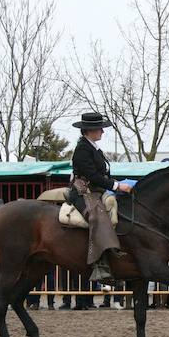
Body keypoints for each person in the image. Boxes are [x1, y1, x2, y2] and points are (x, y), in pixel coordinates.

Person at [68, 111, 133, 281]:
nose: (103, 132)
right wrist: (117, 185)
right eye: (100, 129)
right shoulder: (82, 149)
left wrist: (117, 184)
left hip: (97, 191)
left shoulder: (95, 148)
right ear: (89, 130)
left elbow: (102, 175)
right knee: (98, 218)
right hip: (82, 192)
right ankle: (99, 264)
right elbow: (92, 175)